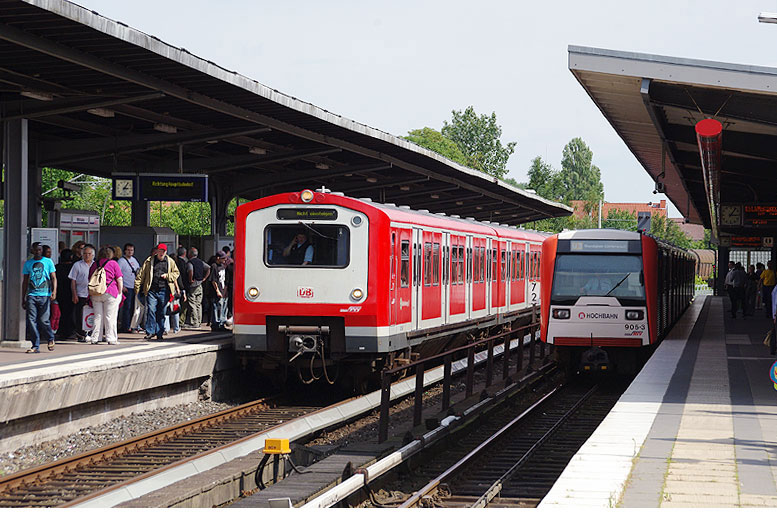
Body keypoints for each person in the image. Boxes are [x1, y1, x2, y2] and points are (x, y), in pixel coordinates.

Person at [135, 243, 180, 341]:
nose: (161, 253)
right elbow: (141, 274)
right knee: (151, 310)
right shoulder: (149, 261)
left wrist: (167, 276)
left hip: (164, 290)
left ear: (166, 252)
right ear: (157, 251)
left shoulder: (170, 261)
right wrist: (137, 288)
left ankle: (159, 332)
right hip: (152, 290)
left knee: (162, 312)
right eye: (160, 251)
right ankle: (150, 332)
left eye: (163, 251)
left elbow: (176, 273)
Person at [22, 242, 57, 353]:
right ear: (32, 251)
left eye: (40, 250)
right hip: (32, 295)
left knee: (43, 320)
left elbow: (53, 278)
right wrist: (23, 297)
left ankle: (50, 338)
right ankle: (35, 345)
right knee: (31, 320)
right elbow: (25, 281)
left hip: (45, 295)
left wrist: (54, 291)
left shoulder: (48, 262)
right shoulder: (28, 264)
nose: (38, 252)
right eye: (36, 250)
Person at [88, 246, 123, 345]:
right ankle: (111, 338)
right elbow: (119, 279)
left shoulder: (95, 264)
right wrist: (119, 292)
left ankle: (95, 337)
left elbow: (90, 278)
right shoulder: (113, 264)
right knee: (110, 316)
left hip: (96, 292)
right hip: (110, 291)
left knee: (97, 316)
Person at [68, 243, 96, 342]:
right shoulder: (77, 265)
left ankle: (92, 333)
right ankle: (81, 334)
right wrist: (74, 294)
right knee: (79, 315)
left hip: (93, 294)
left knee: (93, 314)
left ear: (93, 255)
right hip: (81, 294)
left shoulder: (96, 265)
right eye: (85, 253)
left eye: (89, 254)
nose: (87, 255)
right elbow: (73, 280)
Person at [184, 247, 210, 329]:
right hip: (200, 284)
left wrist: (190, 279)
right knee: (198, 304)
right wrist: (204, 278)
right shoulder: (201, 262)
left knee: (192, 303)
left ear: (190, 254)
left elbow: (190, 271)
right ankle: (199, 321)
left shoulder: (190, 262)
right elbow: (208, 268)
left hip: (193, 285)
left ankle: (194, 322)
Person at [118, 243, 140, 333]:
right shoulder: (121, 261)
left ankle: (132, 325)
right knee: (126, 308)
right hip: (126, 287)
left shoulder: (134, 260)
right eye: (128, 250)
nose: (130, 252)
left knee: (133, 308)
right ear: (125, 251)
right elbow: (118, 274)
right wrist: (122, 286)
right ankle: (125, 326)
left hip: (134, 286)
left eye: (132, 250)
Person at [55, 249, 75, 340]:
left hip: (60, 293)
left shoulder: (57, 267)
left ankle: (62, 330)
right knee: (70, 312)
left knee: (63, 312)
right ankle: (68, 330)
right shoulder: (73, 267)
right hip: (71, 292)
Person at [209, 250, 228, 331]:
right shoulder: (214, 266)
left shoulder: (223, 266)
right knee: (216, 307)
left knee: (223, 307)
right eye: (223, 258)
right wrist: (217, 291)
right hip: (217, 290)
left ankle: (221, 323)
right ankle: (216, 324)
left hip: (223, 289)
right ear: (218, 258)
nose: (225, 260)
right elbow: (213, 280)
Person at [172, 246, 188, 333]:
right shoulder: (182, 263)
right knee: (176, 307)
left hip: (167, 289)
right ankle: (176, 327)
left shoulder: (168, 267)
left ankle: (166, 327)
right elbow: (180, 278)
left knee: (165, 308)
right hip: (177, 289)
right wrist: (182, 289)